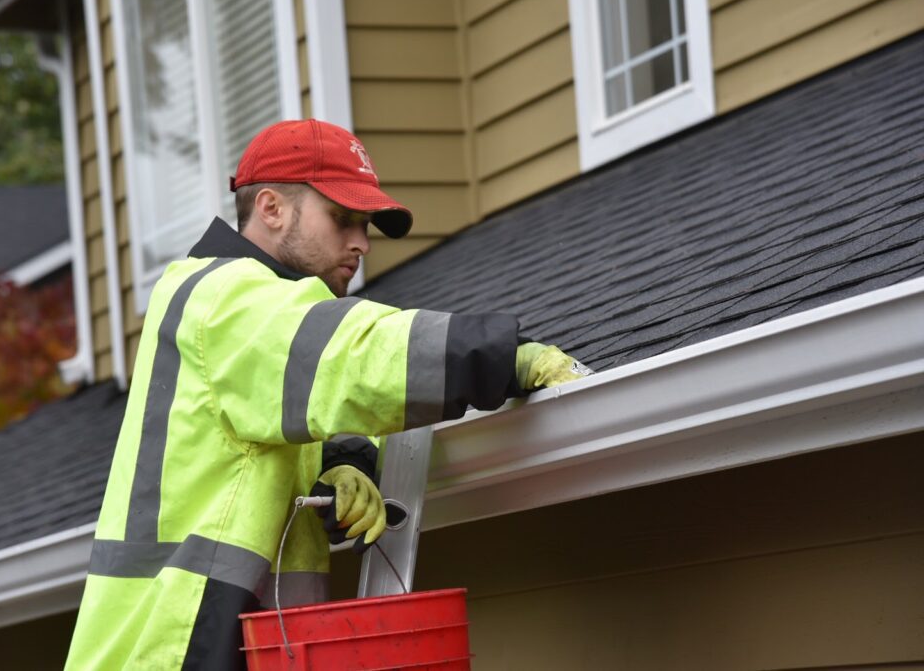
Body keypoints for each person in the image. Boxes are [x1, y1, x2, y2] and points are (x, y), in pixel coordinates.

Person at [64, 119, 590, 670]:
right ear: (271, 208)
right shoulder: (222, 298)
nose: (361, 242)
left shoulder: (248, 323)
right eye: (342, 219)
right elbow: (355, 357)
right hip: (171, 650)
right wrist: (507, 356)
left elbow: (284, 419)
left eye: (364, 224)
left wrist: (341, 461)